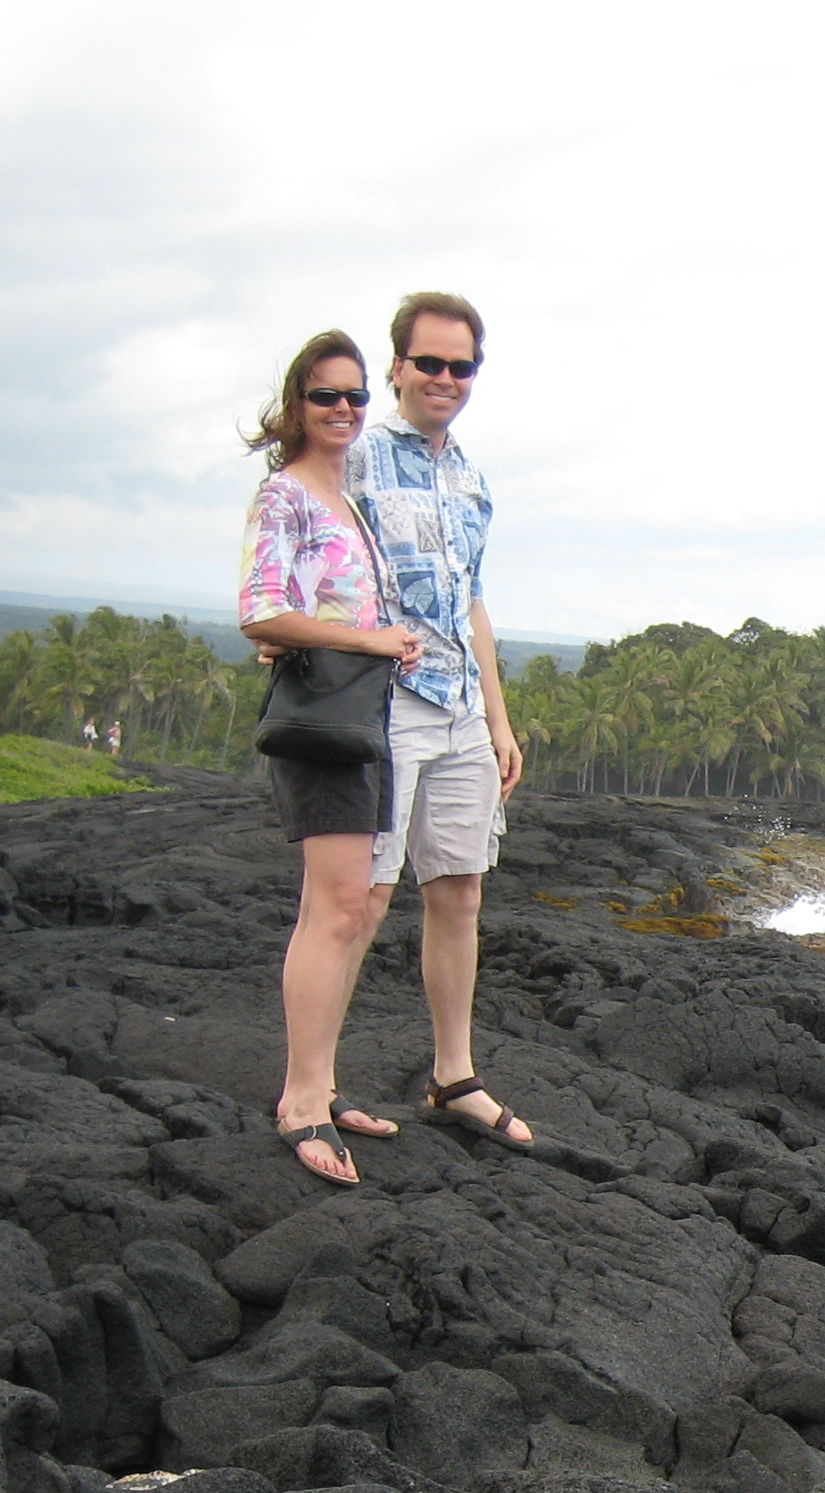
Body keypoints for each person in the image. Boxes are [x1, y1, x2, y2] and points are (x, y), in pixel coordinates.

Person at [347, 289, 535, 1150]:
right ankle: (312, 1087)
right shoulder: (356, 458)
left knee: (459, 890)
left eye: (462, 366)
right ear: (397, 367)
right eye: (429, 362)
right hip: (384, 702)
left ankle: (454, 1076)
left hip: (460, 707)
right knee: (363, 897)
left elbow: (473, 603)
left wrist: (499, 719)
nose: (445, 378)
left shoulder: (470, 477)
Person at [236, 329, 421, 1184]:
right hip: (323, 721)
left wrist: (384, 642)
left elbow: (315, 615)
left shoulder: (345, 500)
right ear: (296, 406)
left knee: (355, 908)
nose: (344, 409)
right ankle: (302, 1102)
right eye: (325, 396)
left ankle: (322, 1082)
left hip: (364, 715)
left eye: (355, 396)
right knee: (336, 908)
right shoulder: (287, 496)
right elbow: (260, 611)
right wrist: (368, 639)